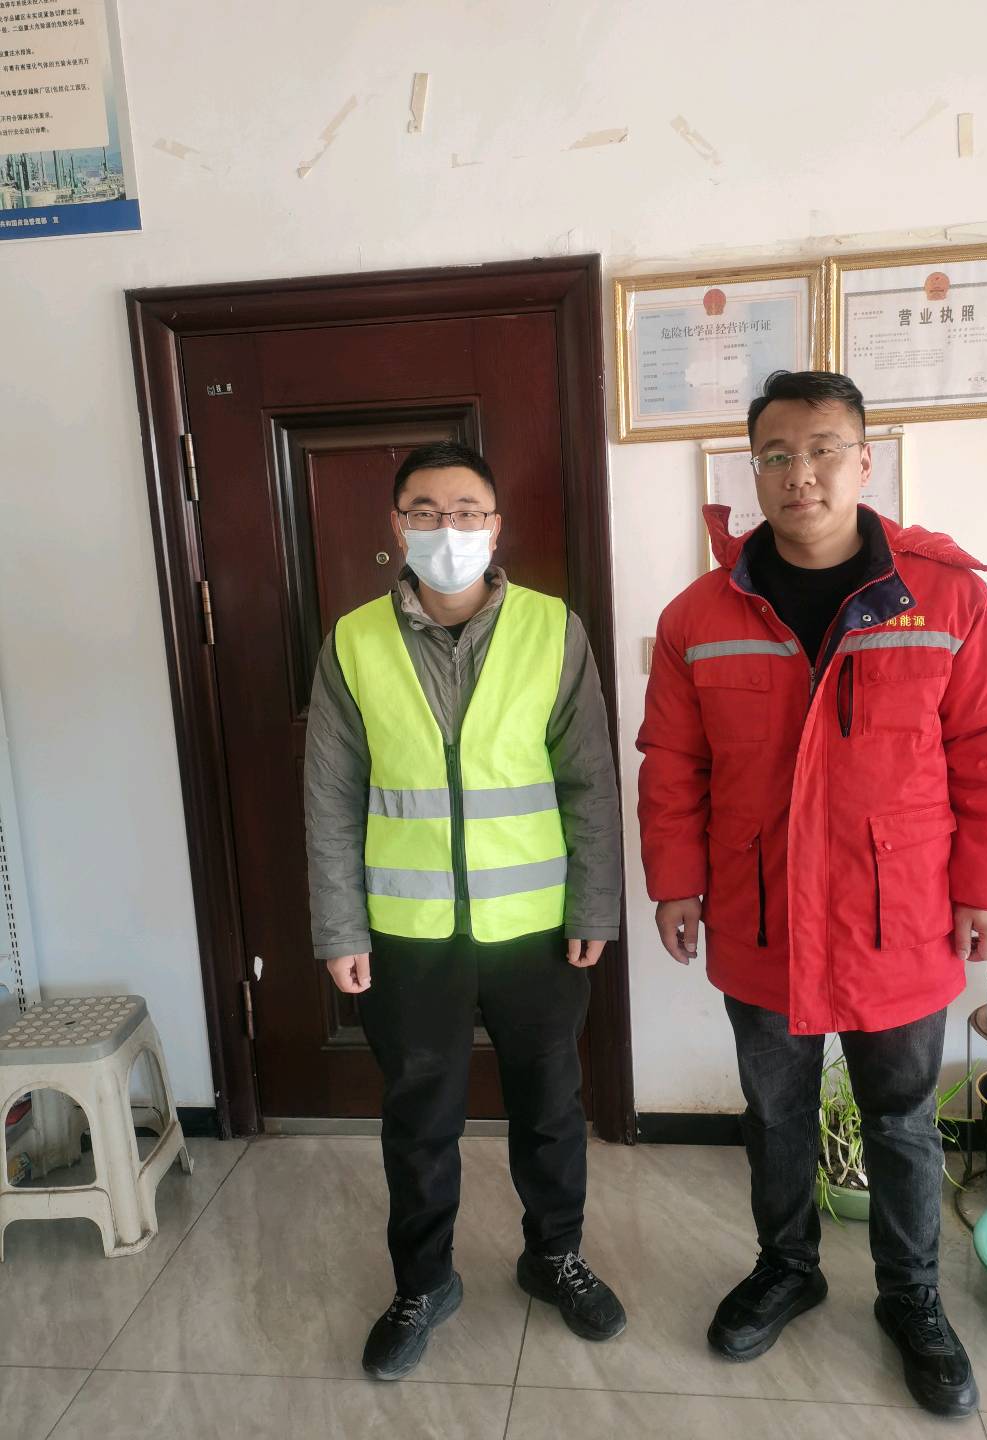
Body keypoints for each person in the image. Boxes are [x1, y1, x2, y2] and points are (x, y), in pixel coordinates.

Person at [637, 370, 987, 1419]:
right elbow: (671, 764)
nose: (799, 473)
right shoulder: (698, 615)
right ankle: (787, 1267)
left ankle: (911, 1297)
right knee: (775, 1113)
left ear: (864, 462)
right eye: (776, 454)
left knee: (902, 1120)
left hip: (900, 919)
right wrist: (674, 881)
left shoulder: (946, 598)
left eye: (821, 450)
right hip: (760, 913)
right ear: (752, 470)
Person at [304, 440, 625, 1380]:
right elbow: (330, 796)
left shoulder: (552, 629)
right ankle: (423, 1282)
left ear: (497, 525)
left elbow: (590, 781)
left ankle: (553, 1256)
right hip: (408, 934)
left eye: (467, 511)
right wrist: (340, 926)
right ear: (395, 524)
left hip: (537, 927)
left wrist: (593, 905)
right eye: (426, 511)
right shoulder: (353, 642)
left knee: (551, 1107)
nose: (448, 529)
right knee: (420, 1117)